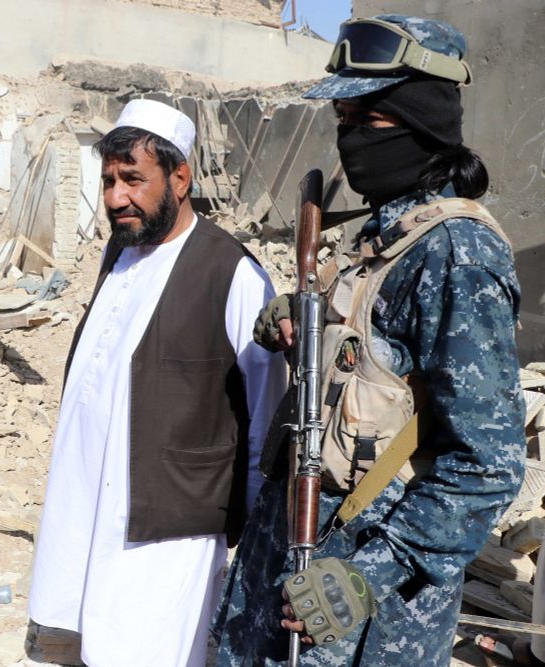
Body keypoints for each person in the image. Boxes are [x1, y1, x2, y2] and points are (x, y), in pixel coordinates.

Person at [214, 15, 525, 665]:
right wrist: (296, 322)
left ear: (418, 120)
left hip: (366, 608)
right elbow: (367, 373)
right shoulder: (382, 236)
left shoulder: (455, 256)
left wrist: (365, 576)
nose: (348, 140)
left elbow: (485, 467)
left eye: (364, 120)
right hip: (295, 555)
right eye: (343, 122)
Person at [28, 99, 286, 667]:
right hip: (95, 497)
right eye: (109, 181)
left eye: (133, 180)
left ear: (180, 177)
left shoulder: (233, 273)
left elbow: (267, 412)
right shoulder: (117, 253)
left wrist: (249, 518)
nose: (117, 197)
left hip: (172, 523)